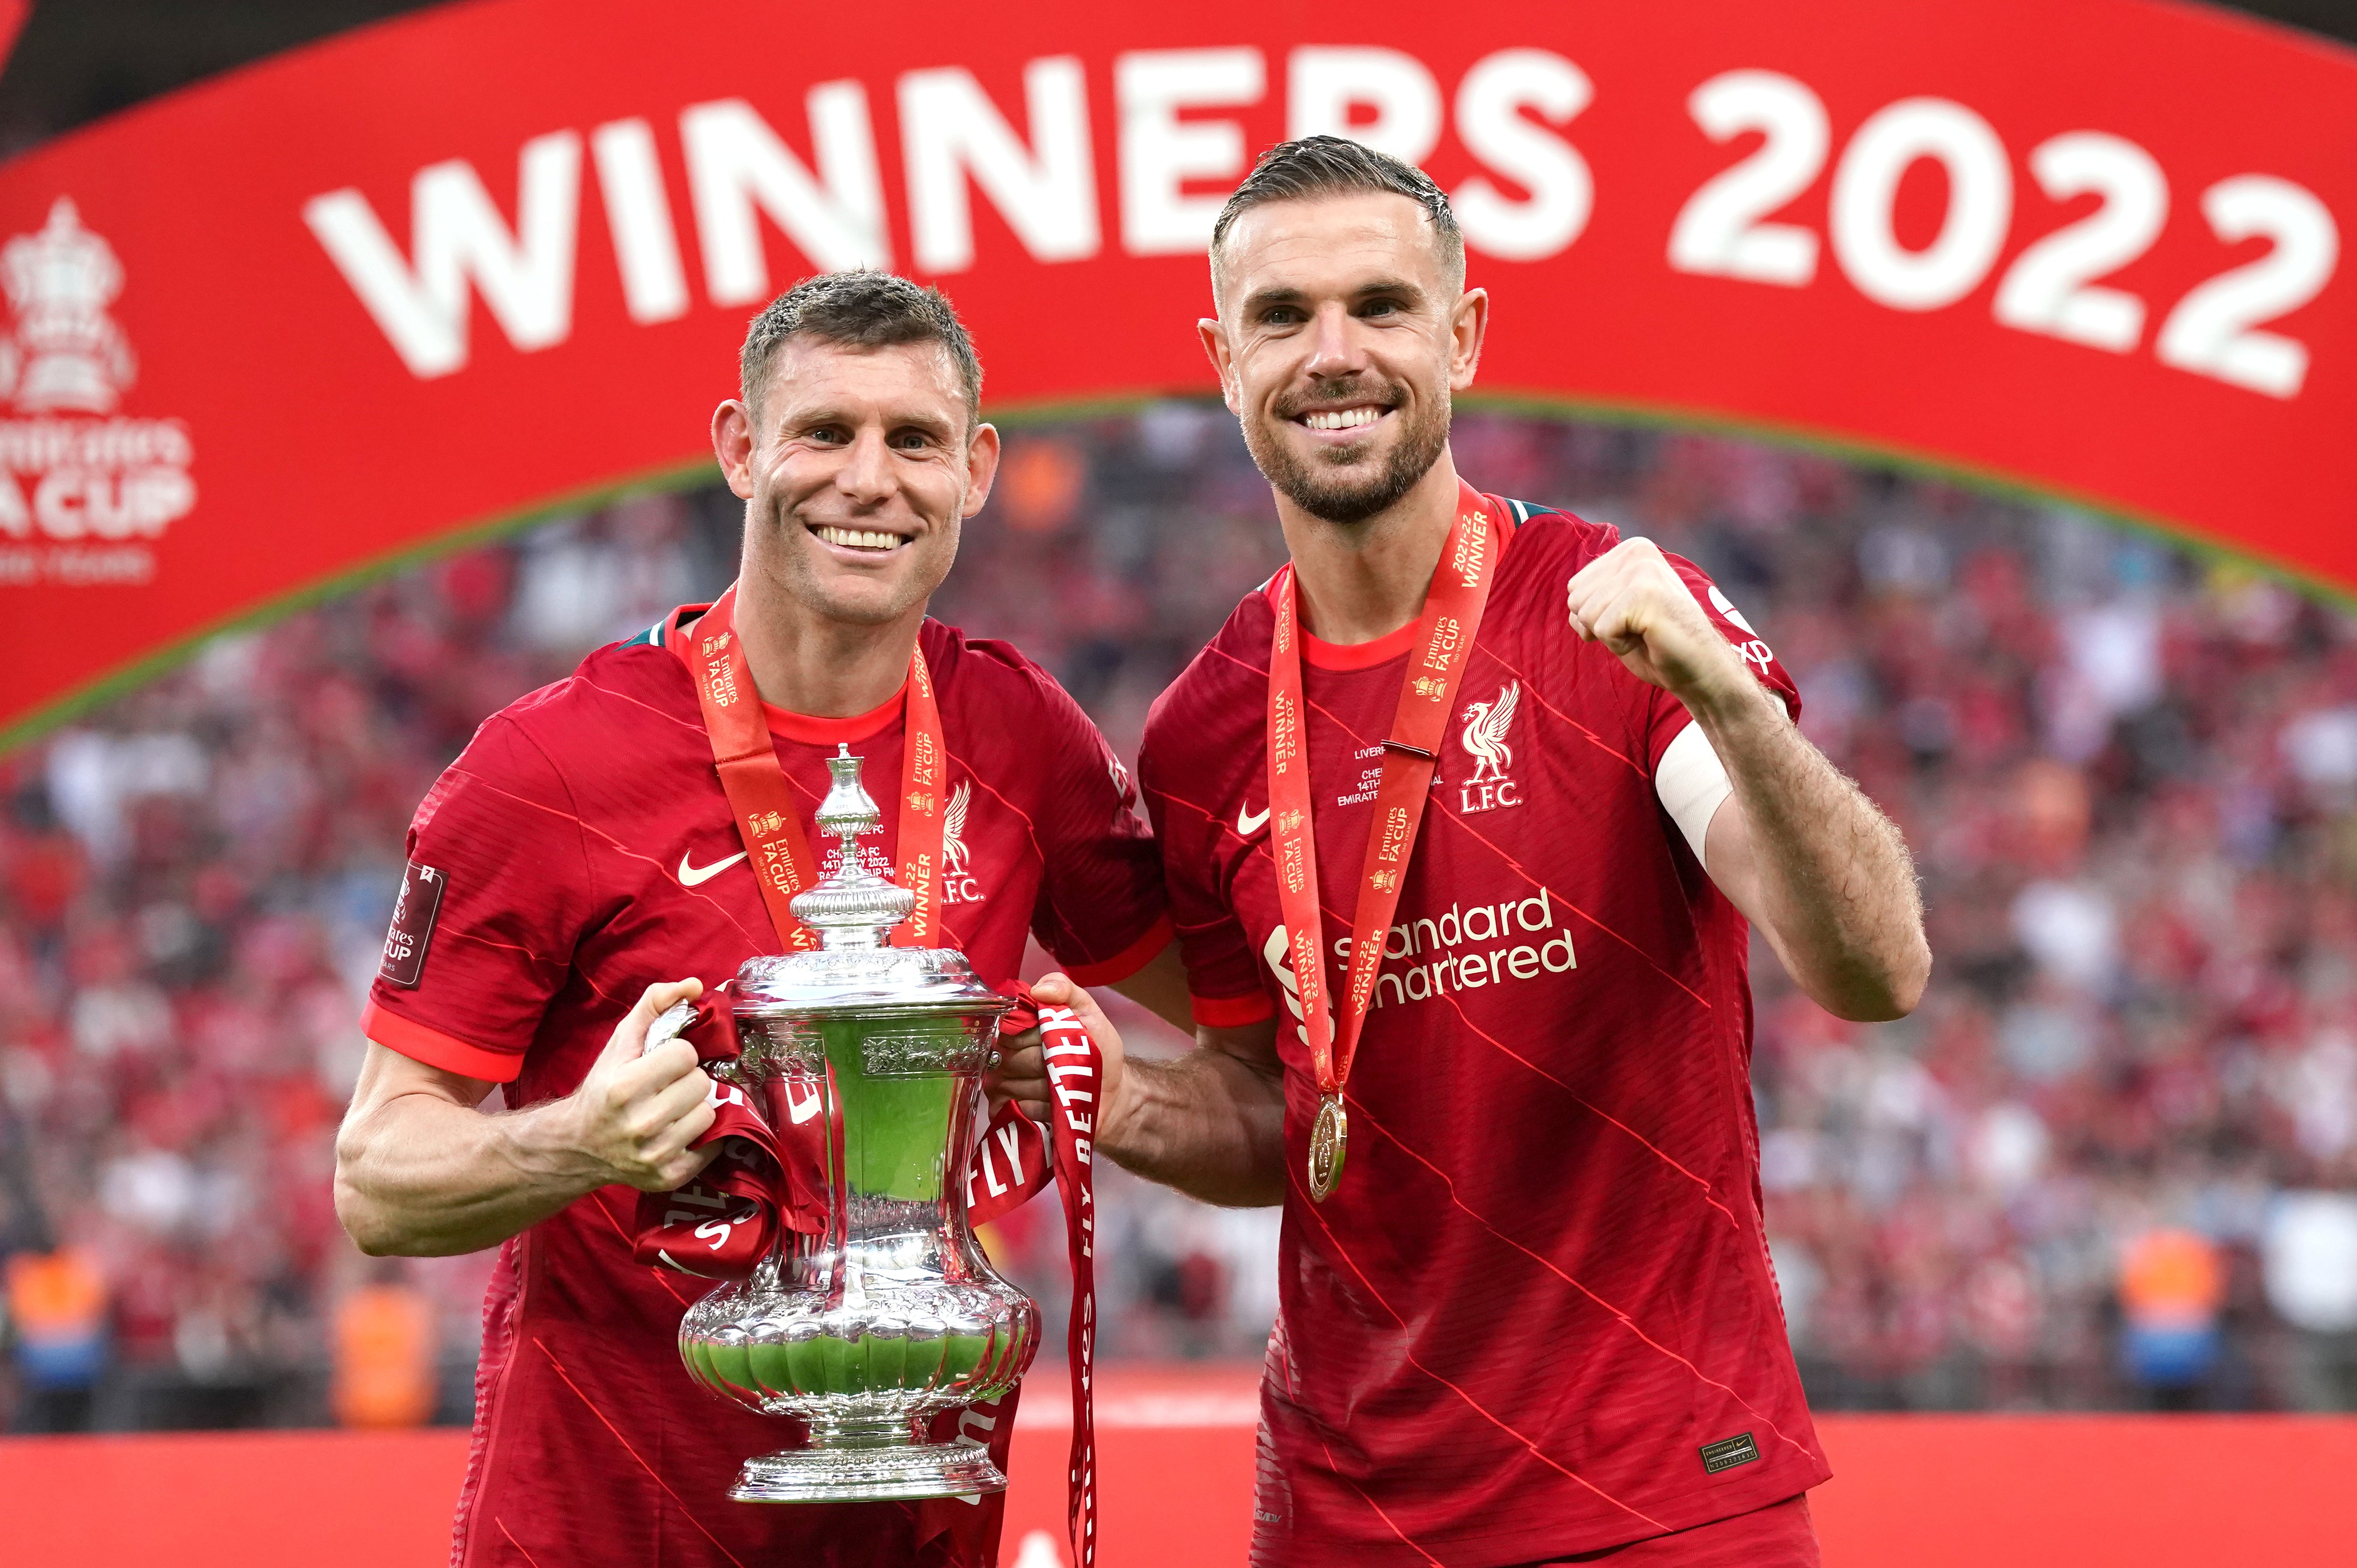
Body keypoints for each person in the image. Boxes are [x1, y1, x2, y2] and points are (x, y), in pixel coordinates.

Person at [995, 138, 1930, 1565]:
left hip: (1661, 1494)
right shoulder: (1202, 734)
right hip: (1345, 1515)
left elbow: (1873, 968)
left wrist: (1730, 699)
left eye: (1379, 305)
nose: (1333, 353)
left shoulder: (1610, 618)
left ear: (1463, 335)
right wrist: (1125, 1101)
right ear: (1223, 360)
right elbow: (1278, 1113)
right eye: (1281, 315)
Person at [334, 270, 1188, 1568]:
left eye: (913, 440)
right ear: (739, 448)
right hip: (607, 1539)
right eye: (824, 432)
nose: (869, 479)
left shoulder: (1022, 738)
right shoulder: (547, 768)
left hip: (919, 1528)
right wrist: (581, 1140)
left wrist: (1113, 1092)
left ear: (975, 470)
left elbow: (1244, 1042)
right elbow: (377, 1178)